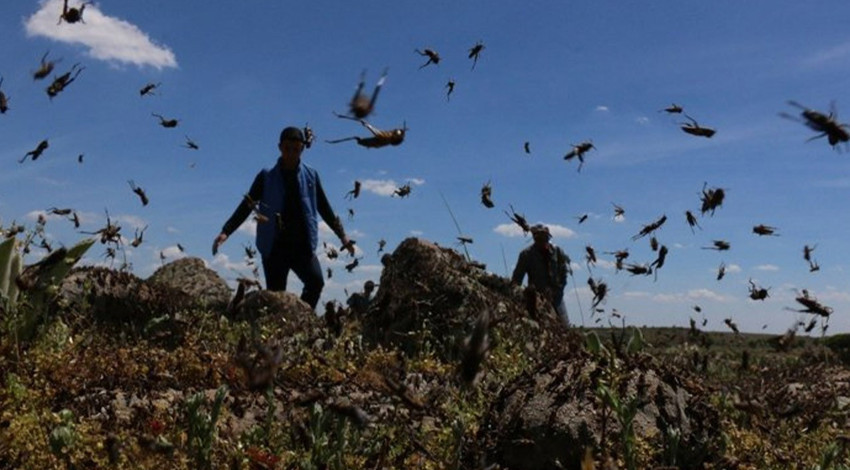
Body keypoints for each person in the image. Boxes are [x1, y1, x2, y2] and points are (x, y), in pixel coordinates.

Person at [213, 126, 354, 309]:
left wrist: (342, 236)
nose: (291, 153)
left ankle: (301, 318)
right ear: (280, 147)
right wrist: (226, 231)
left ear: (302, 149)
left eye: (296, 149)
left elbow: (324, 207)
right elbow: (247, 206)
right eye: (287, 148)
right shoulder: (266, 177)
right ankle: (283, 327)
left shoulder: (311, 175)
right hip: (274, 246)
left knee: (316, 282)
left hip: (302, 245)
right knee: (277, 297)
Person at [511, 224, 570, 325]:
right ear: (534, 238)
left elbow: (564, 274)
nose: (542, 240)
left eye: (545, 237)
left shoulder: (558, 251)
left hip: (557, 298)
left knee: (564, 327)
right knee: (539, 326)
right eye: (539, 238)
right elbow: (516, 280)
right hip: (537, 299)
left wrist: (557, 290)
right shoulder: (526, 255)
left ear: (548, 237)